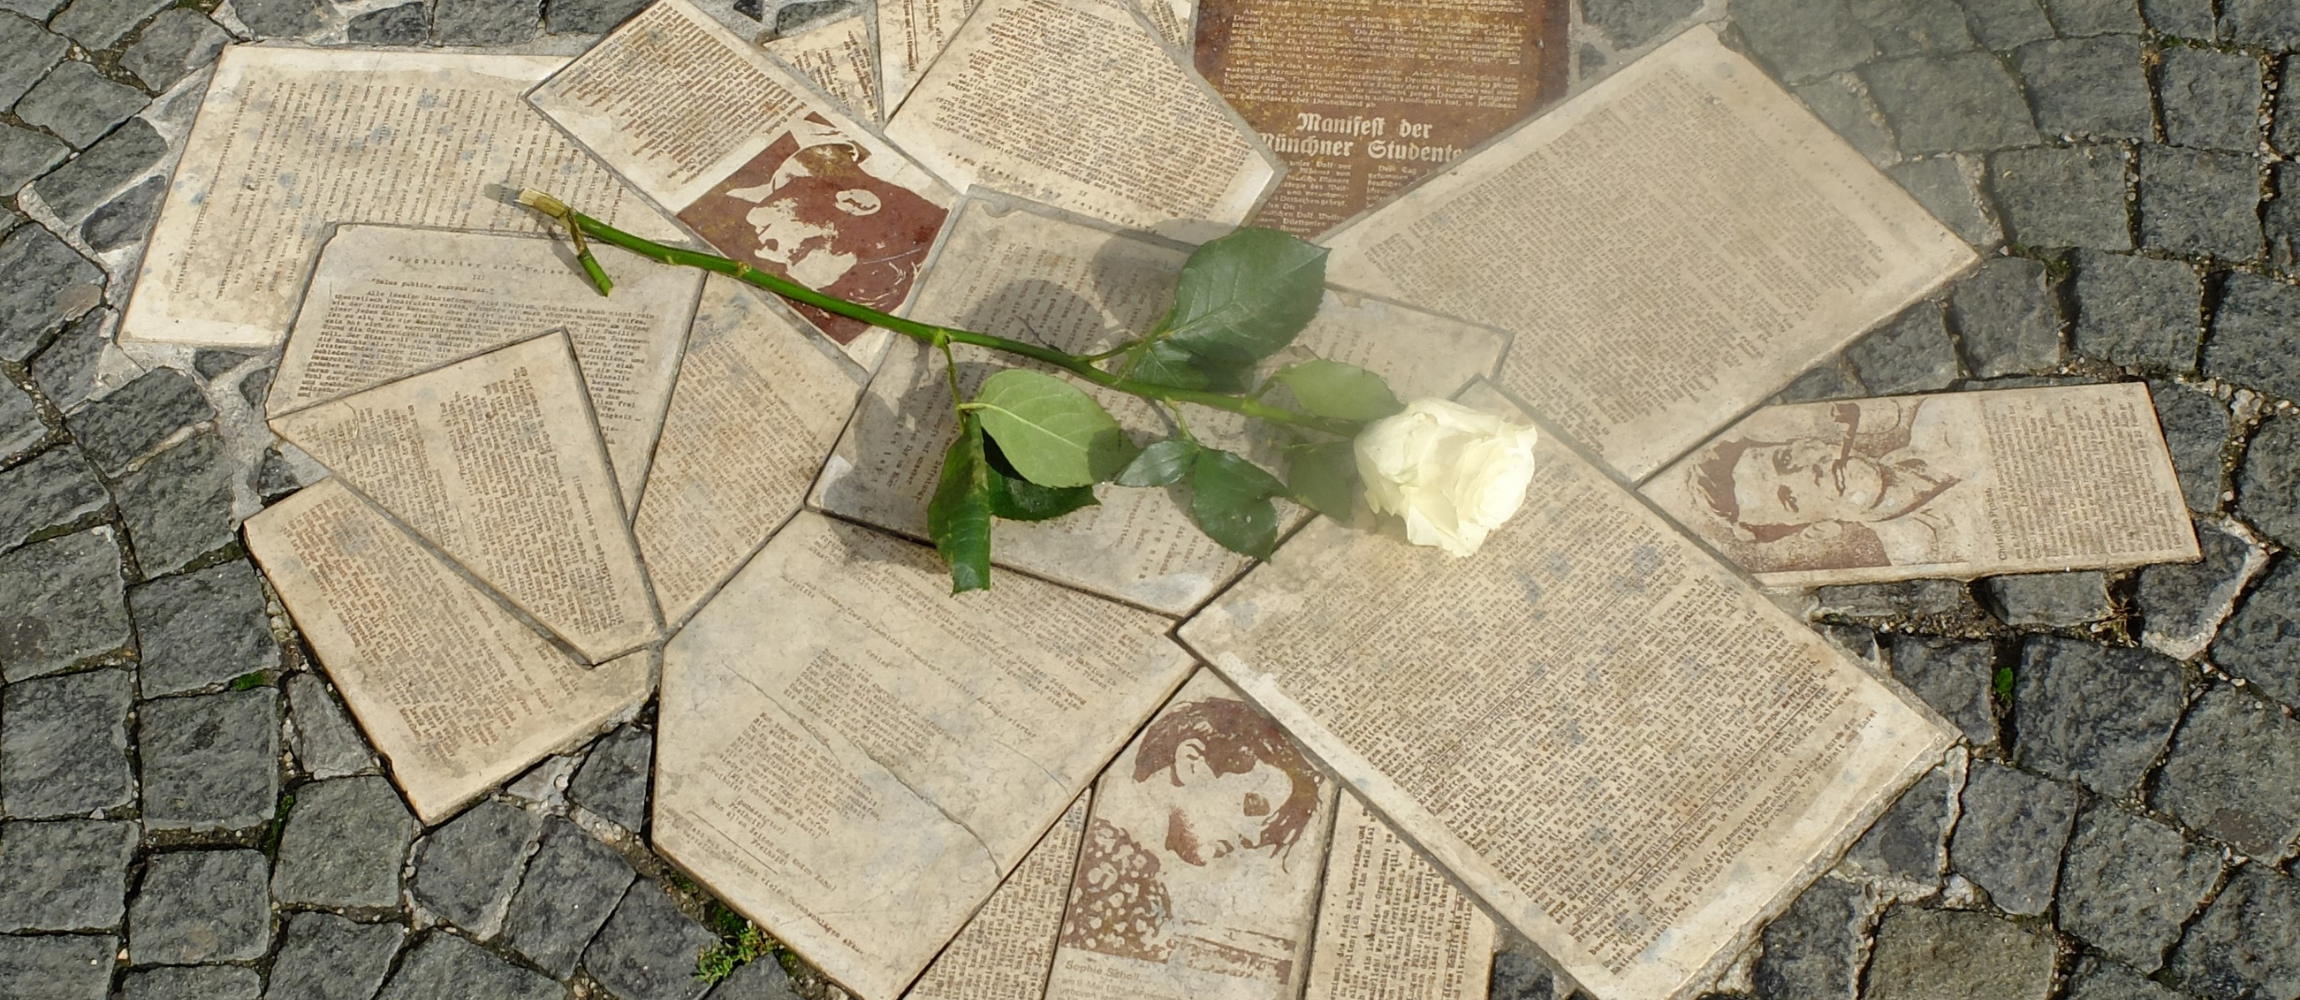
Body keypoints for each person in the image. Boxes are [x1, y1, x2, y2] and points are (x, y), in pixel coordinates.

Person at [1059, 696, 1323, 964]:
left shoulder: (1134, 875)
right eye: (1251, 804)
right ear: (1191, 761)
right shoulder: (1089, 858)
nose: (1253, 838)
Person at [677, 116, 944, 344]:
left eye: (785, 260)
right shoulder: (809, 147)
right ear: (854, 203)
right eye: (803, 249)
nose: (765, 253)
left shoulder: (751, 200)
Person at [1687, 398, 1969, 571]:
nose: (1810, 474)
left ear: (1813, 442)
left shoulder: (1941, 415)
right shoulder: (1924, 553)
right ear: (1820, 529)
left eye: (1786, 458)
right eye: (1791, 498)